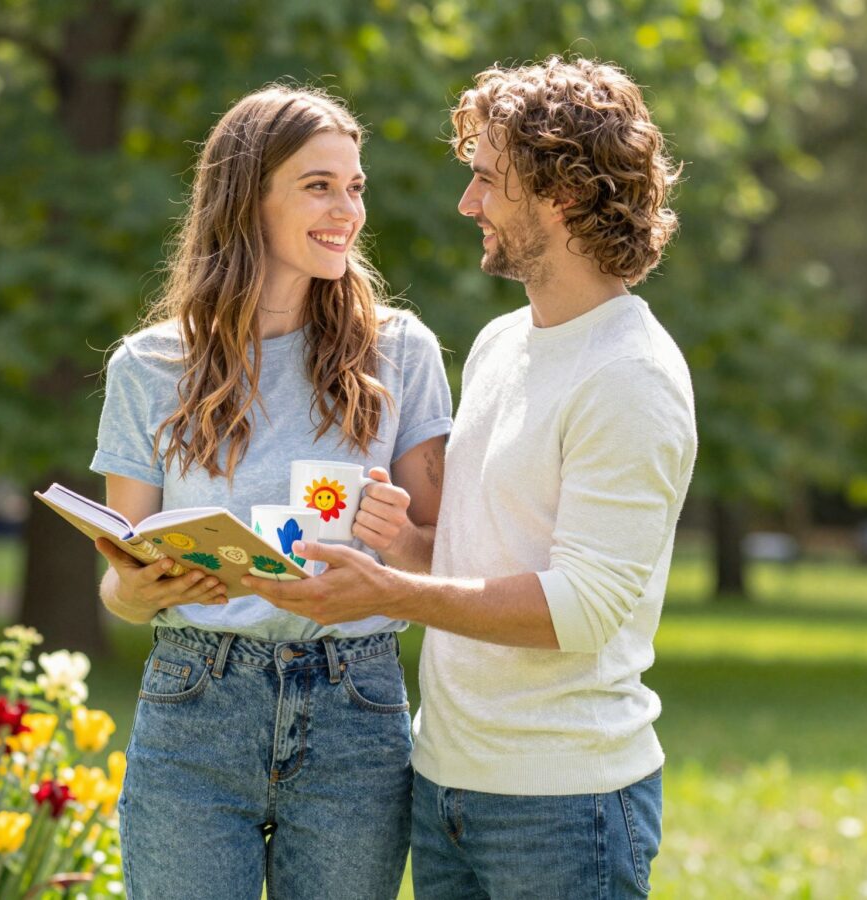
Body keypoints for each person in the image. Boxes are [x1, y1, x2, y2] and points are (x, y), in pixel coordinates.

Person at [248, 56, 696, 898]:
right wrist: (404, 545)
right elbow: (471, 559)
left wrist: (388, 593)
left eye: (488, 180)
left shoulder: (630, 374)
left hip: (566, 805)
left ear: (559, 193)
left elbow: (583, 609)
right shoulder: (501, 345)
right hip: (449, 786)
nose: (469, 203)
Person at [90, 85, 452, 900]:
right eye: (318, 185)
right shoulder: (148, 368)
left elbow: (441, 561)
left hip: (355, 702)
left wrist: (393, 540)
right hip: (195, 700)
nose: (348, 209)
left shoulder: (402, 352)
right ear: (246, 196)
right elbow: (117, 583)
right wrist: (142, 586)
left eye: (355, 186)